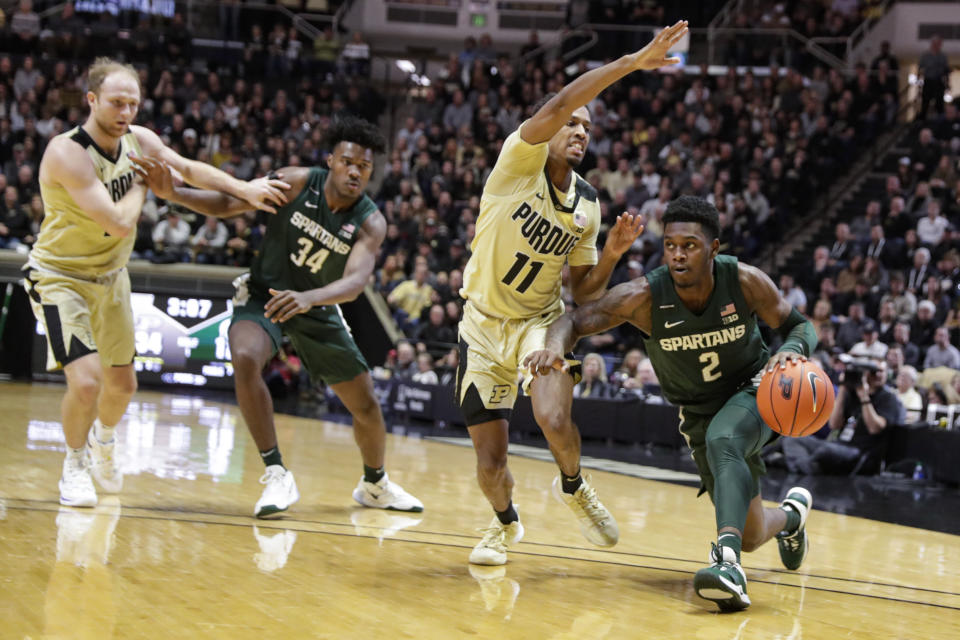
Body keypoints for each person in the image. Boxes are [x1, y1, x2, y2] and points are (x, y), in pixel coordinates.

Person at [456, 20, 690, 567]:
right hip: (482, 325)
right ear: (552, 125)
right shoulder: (518, 162)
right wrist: (633, 61)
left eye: (588, 128)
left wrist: (610, 253)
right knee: (491, 464)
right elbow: (564, 99)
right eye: (574, 124)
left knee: (553, 417)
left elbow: (585, 292)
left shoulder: (588, 202)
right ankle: (504, 524)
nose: (581, 131)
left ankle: (574, 485)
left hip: (540, 320)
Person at [526, 196, 816, 612]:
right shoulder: (645, 296)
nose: (678, 255)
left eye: (690, 246)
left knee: (726, 437)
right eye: (671, 245)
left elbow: (799, 325)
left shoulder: (745, 281)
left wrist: (790, 349)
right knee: (751, 532)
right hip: (698, 412)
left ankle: (727, 564)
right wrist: (554, 346)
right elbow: (573, 319)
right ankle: (791, 517)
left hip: (756, 390)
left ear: (714, 249)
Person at [24, 58, 287, 508]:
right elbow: (119, 221)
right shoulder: (66, 152)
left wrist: (245, 189)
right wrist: (148, 187)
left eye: (133, 103)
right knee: (86, 383)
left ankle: (103, 441)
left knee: (123, 386)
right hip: (60, 277)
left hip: (111, 278)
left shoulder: (139, 140)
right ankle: (74, 464)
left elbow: (188, 168)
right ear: (91, 100)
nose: (126, 112)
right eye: (116, 102)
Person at [134, 115, 423, 518]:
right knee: (246, 358)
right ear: (331, 161)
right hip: (264, 294)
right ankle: (276, 472)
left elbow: (356, 282)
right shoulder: (297, 181)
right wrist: (177, 194)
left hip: (315, 305)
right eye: (347, 161)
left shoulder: (370, 221)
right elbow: (230, 204)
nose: (355, 171)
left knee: (367, 405)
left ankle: (374, 484)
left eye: (364, 166)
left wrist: (309, 297)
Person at [781, 358, 903, 476]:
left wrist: (864, 397)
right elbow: (834, 424)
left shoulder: (888, 398)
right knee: (792, 439)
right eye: (873, 371)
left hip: (861, 453)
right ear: (864, 374)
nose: (877, 375)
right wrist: (843, 389)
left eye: (881, 371)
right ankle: (807, 467)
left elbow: (875, 428)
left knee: (825, 451)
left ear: (887, 374)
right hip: (839, 444)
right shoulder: (851, 394)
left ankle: (793, 464)